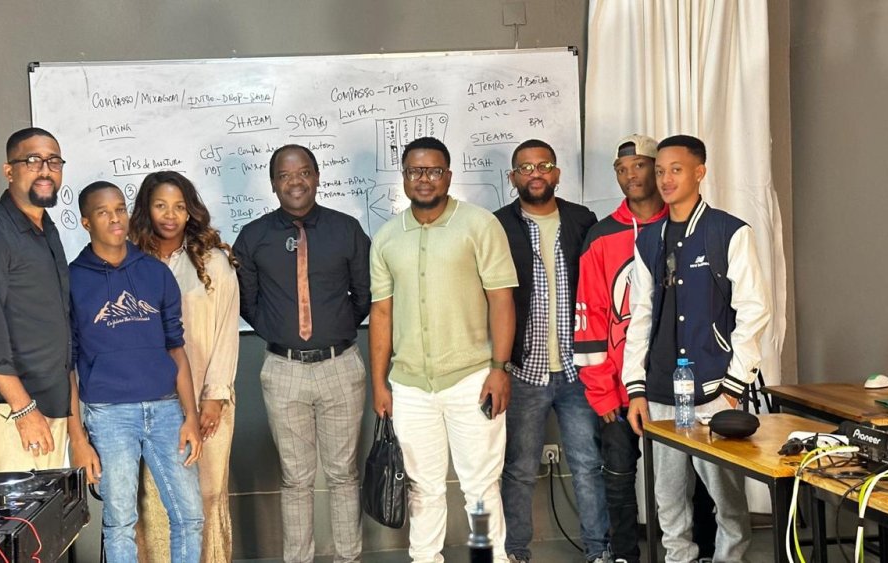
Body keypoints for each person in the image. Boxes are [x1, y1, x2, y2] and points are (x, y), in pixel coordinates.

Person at [623, 135, 770, 562]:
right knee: (668, 500)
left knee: (726, 497)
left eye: (676, 169)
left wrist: (734, 385)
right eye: (660, 170)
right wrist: (635, 388)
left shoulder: (729, 232)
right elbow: (640, 317)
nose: (665, 179)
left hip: (713, 390)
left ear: (699, 172)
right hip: (660, 391)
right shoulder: (649, 240)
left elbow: (755, 310)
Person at [369, 136, 517, 563]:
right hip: (410, 386)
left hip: (472, 379)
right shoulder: (387, 236)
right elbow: (381, 313)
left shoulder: (479, 225)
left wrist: (499, 368)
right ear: (404, 177)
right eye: (416, 171)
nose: (424, 179)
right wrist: (380, 384)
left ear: (448, 176)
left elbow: (501, 300)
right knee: (422, 487)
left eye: (433, 170)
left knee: (481, 486)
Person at [233, 145, 370, 563]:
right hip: (283, 369)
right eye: (285, 175)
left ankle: (349, 558)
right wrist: (282, 333)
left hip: (340, 366)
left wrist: (333, 329)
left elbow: (364, 294)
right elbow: (247, 301)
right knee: (296, 478)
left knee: (343, 474)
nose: (296, 182)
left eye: (304, 172)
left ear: (317, 177)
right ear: (273, 183)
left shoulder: (346, 229)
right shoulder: (253, 237)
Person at [66, 181, 204, 563]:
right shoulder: (72, 280)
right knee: (120, 523)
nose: (115, 219)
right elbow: (67, 366)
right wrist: (78, 438)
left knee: (190, 516)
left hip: (166, 410)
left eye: (120, 209)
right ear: (86, 222)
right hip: (109, 415)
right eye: (103, 212)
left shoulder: (155, 273)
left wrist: (191, 417)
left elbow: (176, 348)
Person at [494, 140, 610, 563]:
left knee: (588, 465)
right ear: (513, 178)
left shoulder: (582, 220)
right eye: (525, 168)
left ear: (557, 173)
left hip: (579, 372)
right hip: (524, 370)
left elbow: (598, 290)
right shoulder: (497, 225)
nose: (535, 173)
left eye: (543, 165)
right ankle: (516, 551)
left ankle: (599, 550)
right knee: (519, 469)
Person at [129, 171, 240, 563]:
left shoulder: (214, 262)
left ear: (190, 211)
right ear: (146, 209)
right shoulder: (130, 261)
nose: (170, 215)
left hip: (208, 399)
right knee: (154, 502)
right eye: (160, 205)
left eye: (179, 206)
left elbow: (226, 332)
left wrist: (214, 397)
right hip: (150, 404)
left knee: (207, 496)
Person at [574, 134, 668, 563]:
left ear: (657, 169)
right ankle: (625, 555)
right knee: (617, 475)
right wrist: (601, 389)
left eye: (640, 165)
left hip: (675, 381)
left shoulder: (680, 225)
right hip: (616, 385)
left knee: (693, 472)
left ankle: (699, 551)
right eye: (622, 169)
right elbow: (589, 312)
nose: (631, 175)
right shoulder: (601, 236)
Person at [0, 127, 72, 472]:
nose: (45, 170)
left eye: (54, 161)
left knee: (50, 509)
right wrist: (24, 409)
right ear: (9, 171)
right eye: (33, 161)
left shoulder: (45, 228)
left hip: (46, 403)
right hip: (9, 409)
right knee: (21, 508)